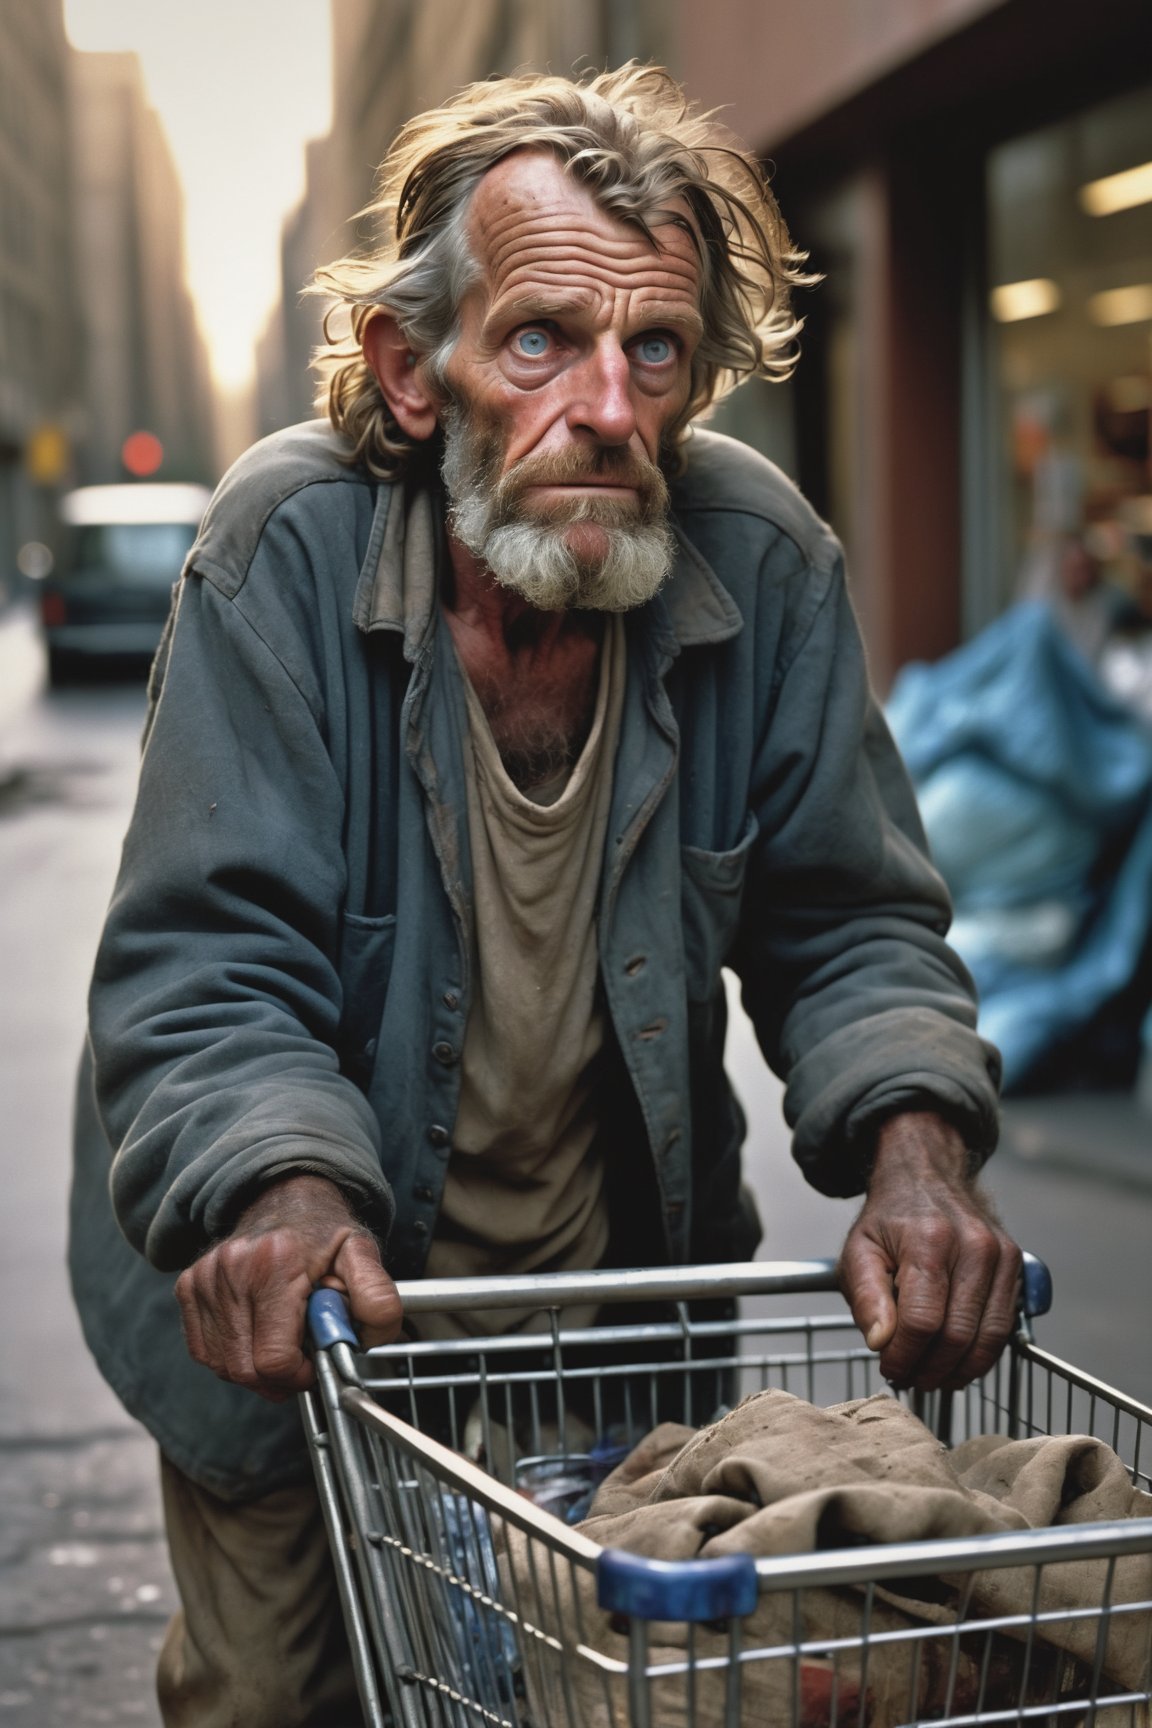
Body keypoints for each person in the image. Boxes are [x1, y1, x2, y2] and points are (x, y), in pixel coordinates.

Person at [70, 63, 1019, 1727]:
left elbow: (851, 917)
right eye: (539, 340)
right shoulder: (283, 550)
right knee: (270, 1700)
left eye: (653, 350)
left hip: (603, 1329)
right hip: (314, 1337)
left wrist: (917, 1155)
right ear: (413, 371)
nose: (605, 405)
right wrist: (277, 1189)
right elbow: (213, 964)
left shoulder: (763, 557)